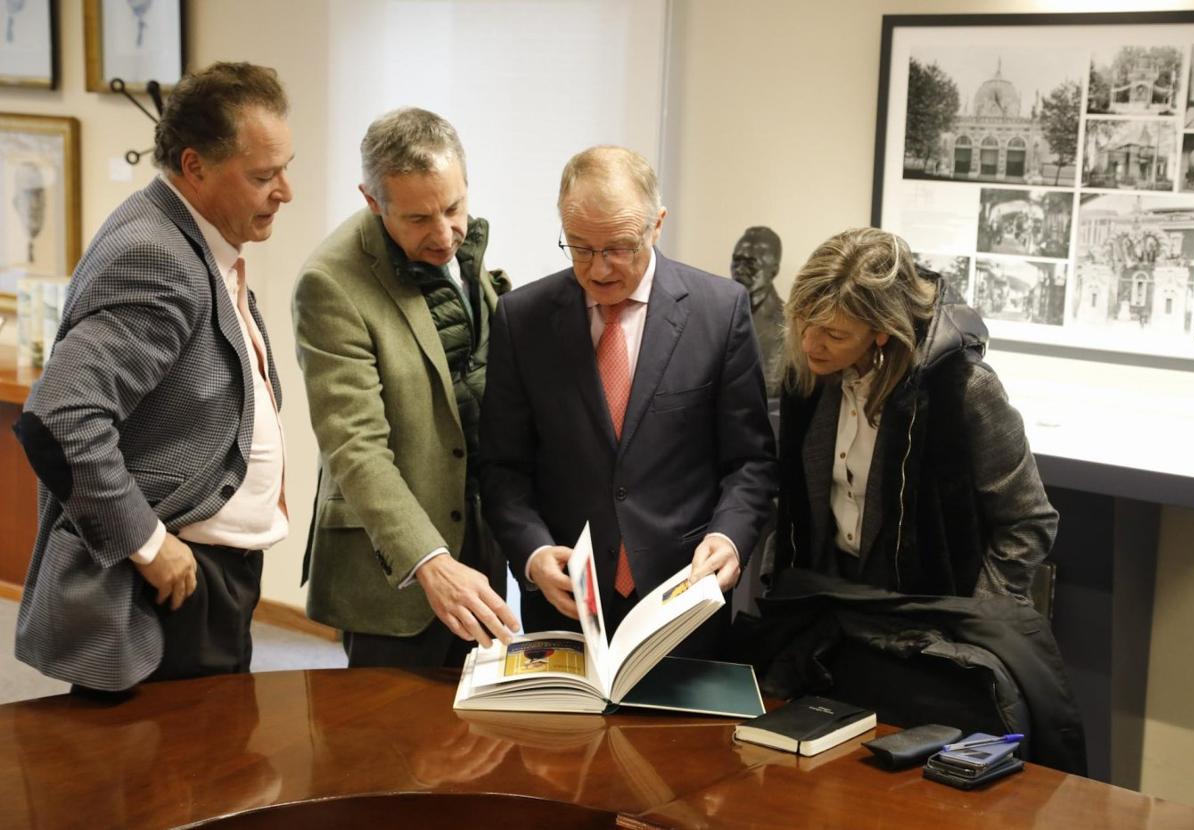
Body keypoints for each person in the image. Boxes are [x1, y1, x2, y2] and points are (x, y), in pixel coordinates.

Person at [12, 62, 295, 694]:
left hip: (206, 577)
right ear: (194, 167)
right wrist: (148, 543)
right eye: (263, 175)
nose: (285, 191)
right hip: (168, 587)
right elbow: (58, 419)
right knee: (168, 782)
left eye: (285, 167)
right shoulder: (156, 256)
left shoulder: (190, 238)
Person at [480, 145, 777, 656]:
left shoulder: (719, 312)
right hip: (566, 606)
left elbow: (749, 460)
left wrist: (729, 538)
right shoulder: (520, 319)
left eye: (618, 247)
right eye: (579, 248)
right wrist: (531, 553)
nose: (598, 270)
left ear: (656, 225)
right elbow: (502, 467)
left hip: (684, 601)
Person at [292, 107, 519, 669]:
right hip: (393, 570)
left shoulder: (462, 250)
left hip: (481, 553)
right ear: (373, 202)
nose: (443, 235)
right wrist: (431, 561)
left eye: (453, 208)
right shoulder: (330, 284)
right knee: (387, 749)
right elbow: (355, 447)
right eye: (418, 219)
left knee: (479, 743)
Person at [772, 227, 1057, 599]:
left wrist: (977, 619)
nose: (810, 343)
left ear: (881, 332)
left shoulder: (963, 387)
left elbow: (1027, 522)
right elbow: (793, 504)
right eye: (802, 320)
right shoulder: (808, 375)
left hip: (925, 623)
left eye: (835, 334)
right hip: (824, 606)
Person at [730, 226, 785, 399]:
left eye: (750, 264)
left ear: (773, 271)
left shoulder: (788, 325)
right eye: (736, 260)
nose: (739, 270)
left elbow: (771, 388)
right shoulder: (716, 317)